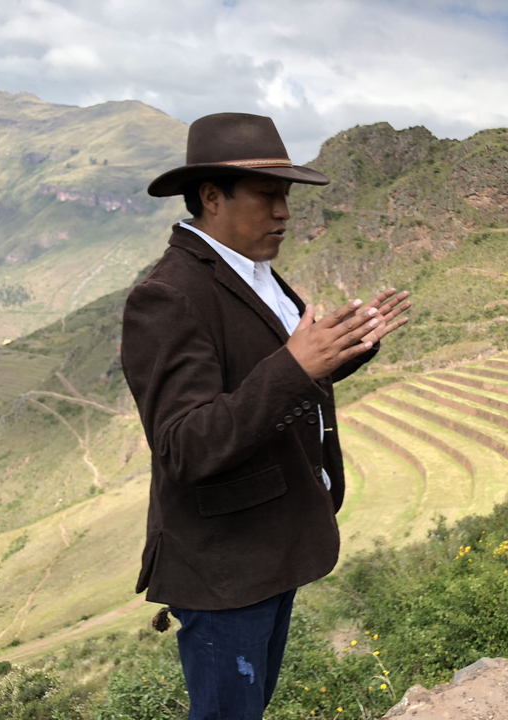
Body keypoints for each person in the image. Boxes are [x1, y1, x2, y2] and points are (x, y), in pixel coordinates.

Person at [120, 112, 410, 720]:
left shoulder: (255, 276)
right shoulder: (169, 295)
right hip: (225, 565)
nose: (284, 212)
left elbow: (277, 384)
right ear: (210, 196)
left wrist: (345, 350)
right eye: (269, 195)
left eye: (287, 197)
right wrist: (297, 368)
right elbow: (183, 445)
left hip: (269, 544)